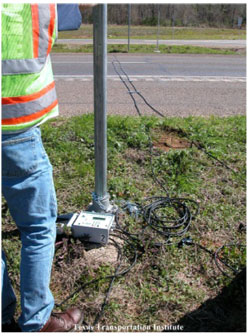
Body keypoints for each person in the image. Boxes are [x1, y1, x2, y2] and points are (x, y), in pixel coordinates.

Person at [2, 3, 94, 332]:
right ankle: (38, 321)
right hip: (17, 132)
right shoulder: (35, 5)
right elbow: (79, 9)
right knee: (39, 228)